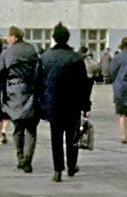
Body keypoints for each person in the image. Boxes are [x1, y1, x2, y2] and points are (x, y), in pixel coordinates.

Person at [35, 23, 91, 182]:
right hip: (73, 104)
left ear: (54, 38)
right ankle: (72, 166)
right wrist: (86, 106)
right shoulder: (76, 58)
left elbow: (38, 83)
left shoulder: (45, 58)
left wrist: (42, 104)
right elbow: (83, 84)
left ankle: (57, 170)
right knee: (72, 136)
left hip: (53, 103)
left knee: (56, 137)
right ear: (67, 38)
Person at [0, 26, 40, 173]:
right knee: (31, 129)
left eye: (8, 37)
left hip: (14, 91)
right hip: (31, 90)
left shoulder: (7, 52)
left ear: (14, 37)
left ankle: (20, 157)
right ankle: (28, 158)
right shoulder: (32, 50)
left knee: (18, 126)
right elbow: (39, 68)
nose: (7, 40)